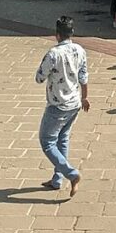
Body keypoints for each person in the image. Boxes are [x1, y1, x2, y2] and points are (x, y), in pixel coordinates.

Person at [35, 15, 89, 195]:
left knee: (47, 141)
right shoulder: (80, 50)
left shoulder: (53, 53)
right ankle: (57, 179)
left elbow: (39, 77)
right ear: (72, 32)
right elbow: (83, 77)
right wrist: (85, 97)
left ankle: (71, 174)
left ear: (57, 34)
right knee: (62, 138)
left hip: (58, 104)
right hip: (75, 102)